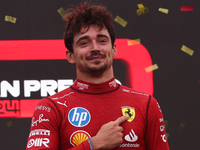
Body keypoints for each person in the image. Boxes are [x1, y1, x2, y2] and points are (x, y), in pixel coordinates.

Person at [26, 2, 169, 150]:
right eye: (84, 43)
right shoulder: (51, 108)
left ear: (113, 50)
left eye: (102, 41)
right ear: (70, 56)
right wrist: (93, 145)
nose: (95, 48)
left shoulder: (146, 104)